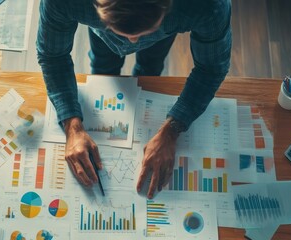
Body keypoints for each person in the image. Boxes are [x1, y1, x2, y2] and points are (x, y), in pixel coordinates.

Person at [37, 0, 232, 199]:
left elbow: (212, 68)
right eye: (120, 28)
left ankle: (145, 65)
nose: (132, 42)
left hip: (162, 34)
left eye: (142, 31)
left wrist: (172, 130)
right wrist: (72, 127)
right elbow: (53, 56)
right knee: (103, 66)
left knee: (150, 68)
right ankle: (109, 63)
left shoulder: (208, 5)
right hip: (104, 31)